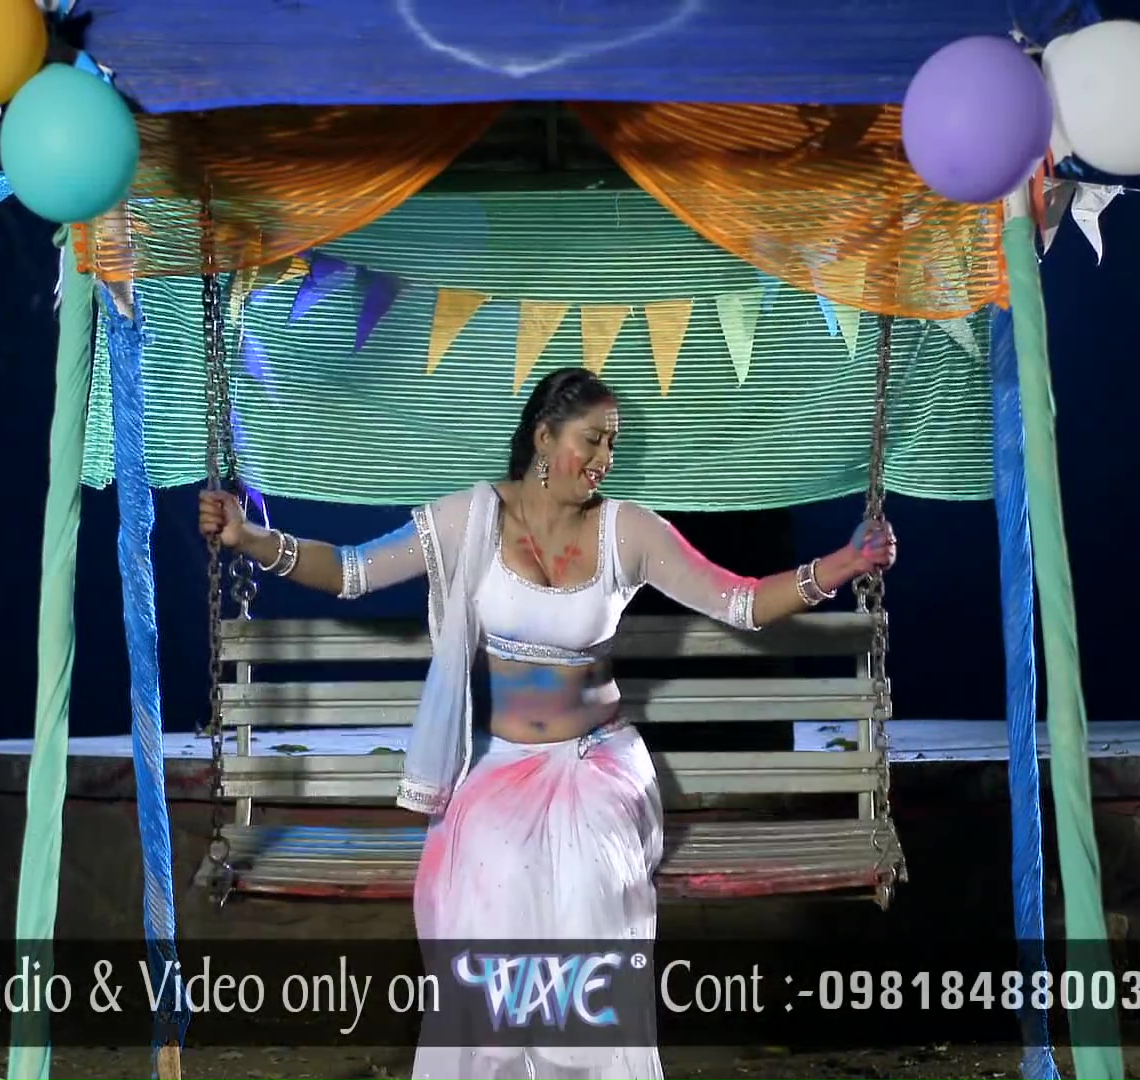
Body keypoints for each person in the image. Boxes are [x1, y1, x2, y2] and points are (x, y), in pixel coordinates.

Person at [198, 366, 897, 1079]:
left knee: (588, 873)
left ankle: (577, 1064)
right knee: (489, 865)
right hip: (498, 766)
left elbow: (741, 603)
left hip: (597, 765)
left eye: (612, 444)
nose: (603, 459)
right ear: (543, 437)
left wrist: (844, 563)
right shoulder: (470, 520)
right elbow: (351, 571)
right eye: (591, 440)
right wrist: (249, 538)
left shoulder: (628, 531)